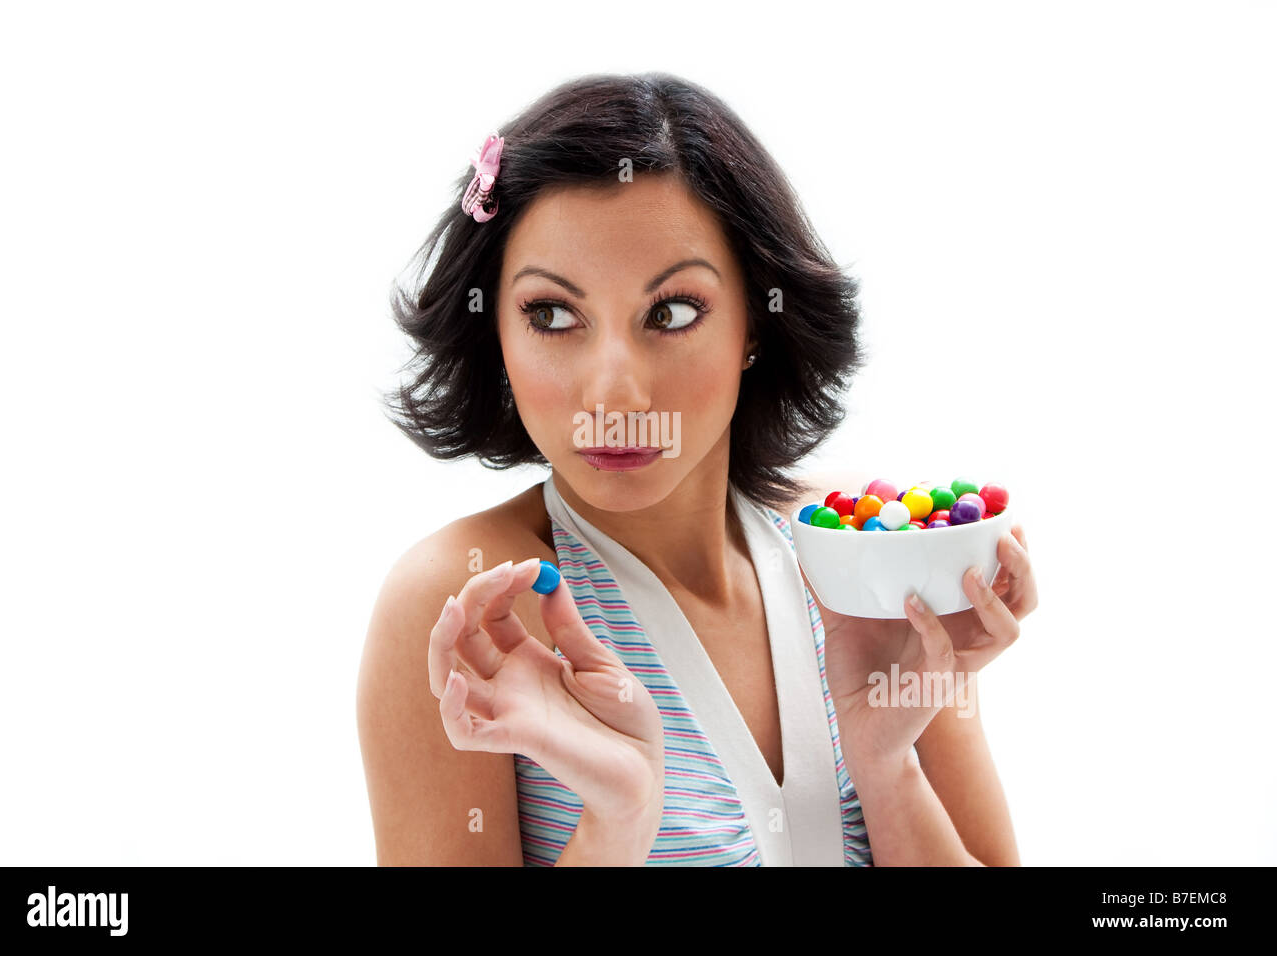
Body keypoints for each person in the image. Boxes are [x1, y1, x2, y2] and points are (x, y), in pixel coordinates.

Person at [356, 72, 1039, 866]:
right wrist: (616, 819)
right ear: (497, 334)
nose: (615, 391)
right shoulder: (473, 607)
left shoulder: (861, 559)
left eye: (672, 312)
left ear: (756, 319)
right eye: (552, 315)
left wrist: (887, 769)